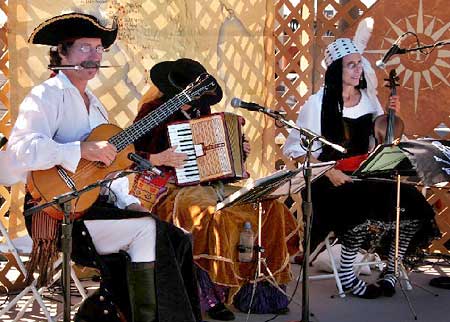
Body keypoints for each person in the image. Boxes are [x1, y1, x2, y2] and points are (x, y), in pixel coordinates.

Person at [5, 12, 201, 322]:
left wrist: (131, 201)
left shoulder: (96, 106)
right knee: (148, 232)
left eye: (99, 49)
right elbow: (18, 152)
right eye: (85, 47)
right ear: (62, 53)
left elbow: (109, 169)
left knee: (177, 239)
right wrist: (80, 149)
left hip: (97, 207)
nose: (95, 55)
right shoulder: (45, 96)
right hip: (58, 214)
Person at [131, 58, 301, 320]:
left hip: (209, 183)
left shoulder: (202, 112)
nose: (198, 100)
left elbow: (217, 155)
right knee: (211, 214)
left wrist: (240, 153)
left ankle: (258, 289)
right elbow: (128, 154)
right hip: (169, 186)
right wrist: (159, 158)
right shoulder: (153, 111)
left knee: (269, 207)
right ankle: (209, 295)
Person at [283, 35, 437, 298]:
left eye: (359, 63)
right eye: (351, 65)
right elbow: (296, 149)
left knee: (413, 204)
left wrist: (391, 115)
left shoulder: (368, 99)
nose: (359, 69)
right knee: (357, 209)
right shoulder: (317, 104)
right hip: (329, 179)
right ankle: (347, 276)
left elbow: (383, 137)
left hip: (365, 174)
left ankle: (391, 269)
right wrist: (330, 171)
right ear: (336, 71)